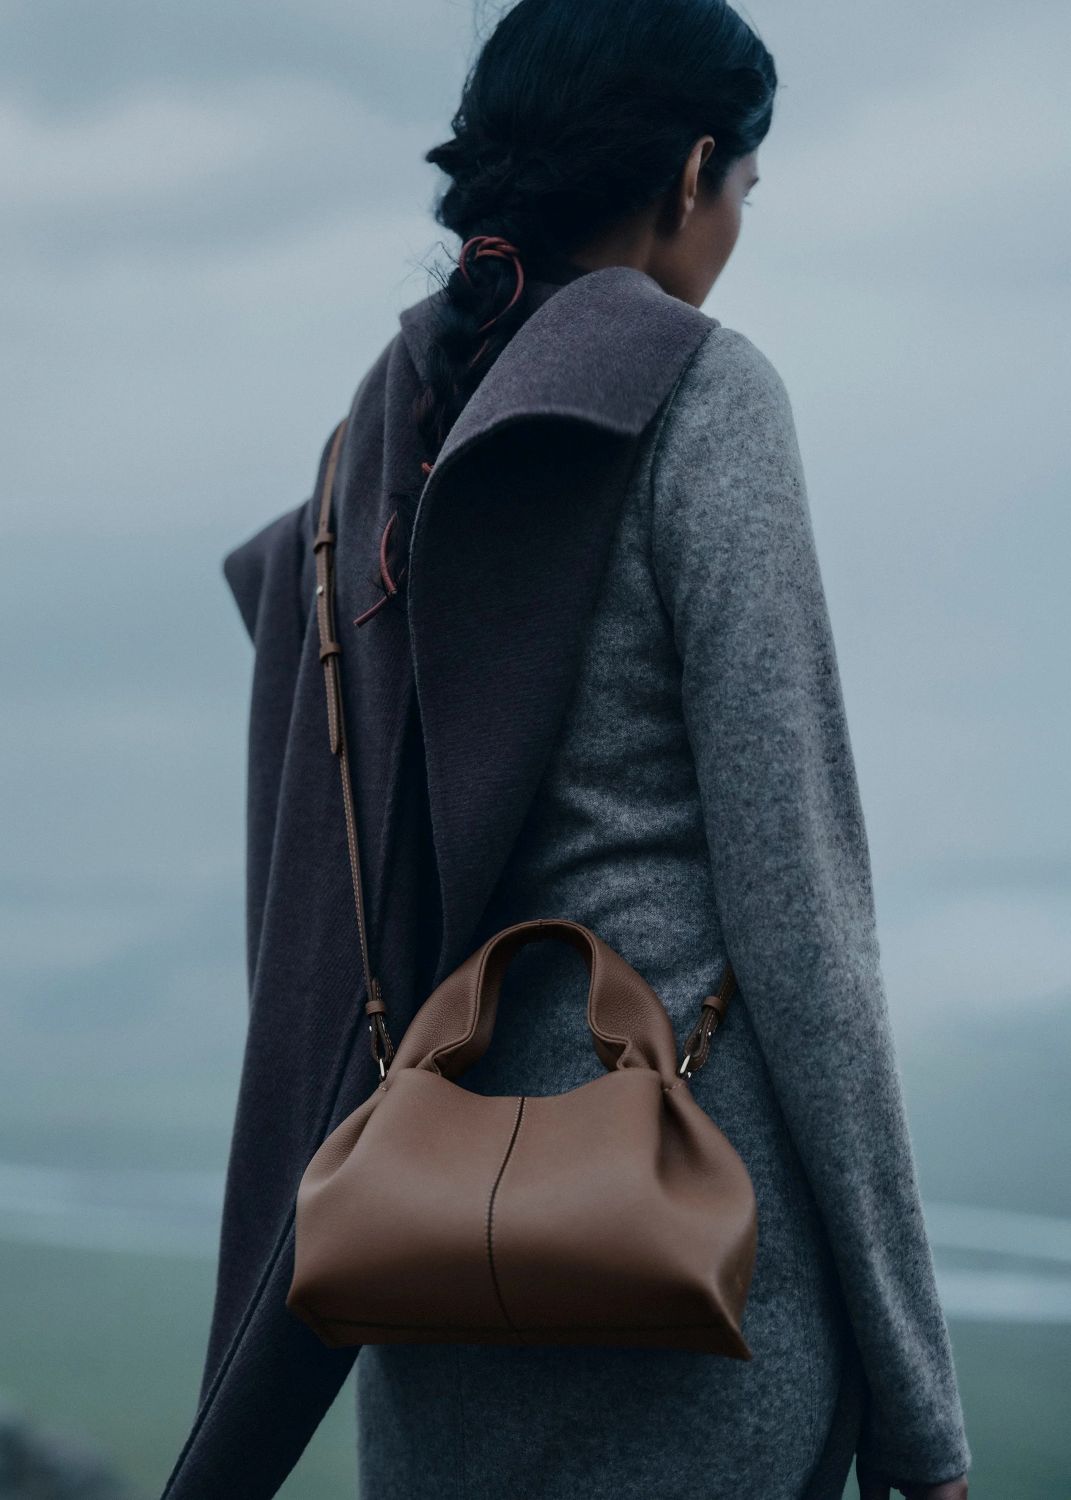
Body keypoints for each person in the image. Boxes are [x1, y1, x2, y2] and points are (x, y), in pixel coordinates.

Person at [165, 2, 972, 1496]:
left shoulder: (373, 443)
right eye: (744, 188)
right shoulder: (702, 394)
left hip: (428, 1263)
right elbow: (802, 920)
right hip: (692, 1268)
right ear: (691, 171)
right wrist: (922, 1413)